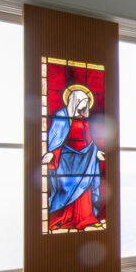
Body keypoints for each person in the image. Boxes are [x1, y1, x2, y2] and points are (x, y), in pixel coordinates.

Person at [42, 83, 105, 230]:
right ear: (75, 101)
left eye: (86, 104)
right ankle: (63, 218)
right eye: (82, 103)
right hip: (66, 161)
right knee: (67, 188)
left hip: (84, 160)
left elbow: (89, 141)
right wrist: (52, 153)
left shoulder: (83, 119)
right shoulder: (61, 116)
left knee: (85, 188)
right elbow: (55, 140)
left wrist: (96, 153)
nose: (85, 106)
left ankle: (86, 218)